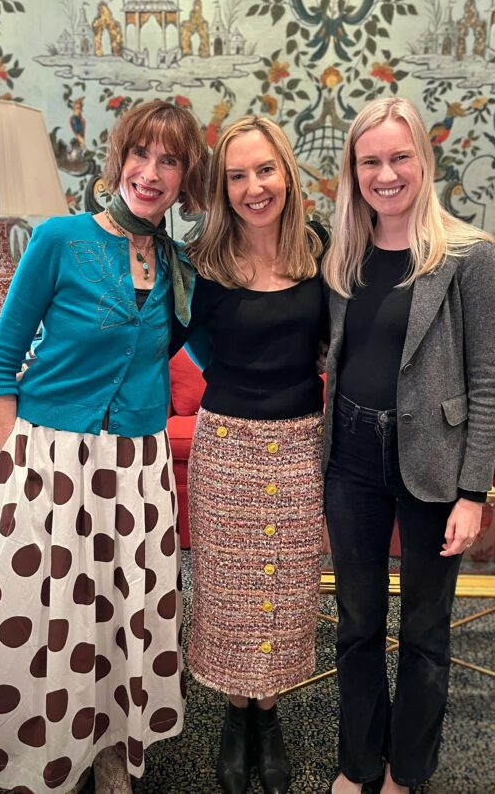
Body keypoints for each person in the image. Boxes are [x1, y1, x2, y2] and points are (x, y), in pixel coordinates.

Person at [0, 99, 209, 794]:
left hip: (136, 467)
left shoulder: (179, 265)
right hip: (52, 462)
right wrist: (17, 463)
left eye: (170, 160)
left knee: (121, 618)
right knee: (49, 616)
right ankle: (42, 756)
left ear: (185, 178)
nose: (151, 172)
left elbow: (208, 348)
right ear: (119, 159)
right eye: (141, 153)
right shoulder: (60, 238)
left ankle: (110, 751)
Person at [321, 97, 495, 794]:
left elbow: (488, 381)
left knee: (426, 630)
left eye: (400, 157)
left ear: (424, 161)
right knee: (357, 622)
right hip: (351, 456)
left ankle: (408, 770)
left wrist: (472, 493)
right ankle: (359, 763)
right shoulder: (343, 252)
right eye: (370, 161)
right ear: (354, 171)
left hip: (433, 457)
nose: (386, 174)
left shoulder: (469, 256)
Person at [171, 115, 328, 794]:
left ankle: (270, 712)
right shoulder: (201, 260)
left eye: (265, 170)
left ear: (286, 173)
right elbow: (187, 341)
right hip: (227, 445)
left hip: (300, 445)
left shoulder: (322, 250)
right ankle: (237, 715)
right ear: (222, 186)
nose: (253, 187)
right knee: (229, 593)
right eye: (237, 176)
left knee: (286, 592)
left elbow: (336, 341)